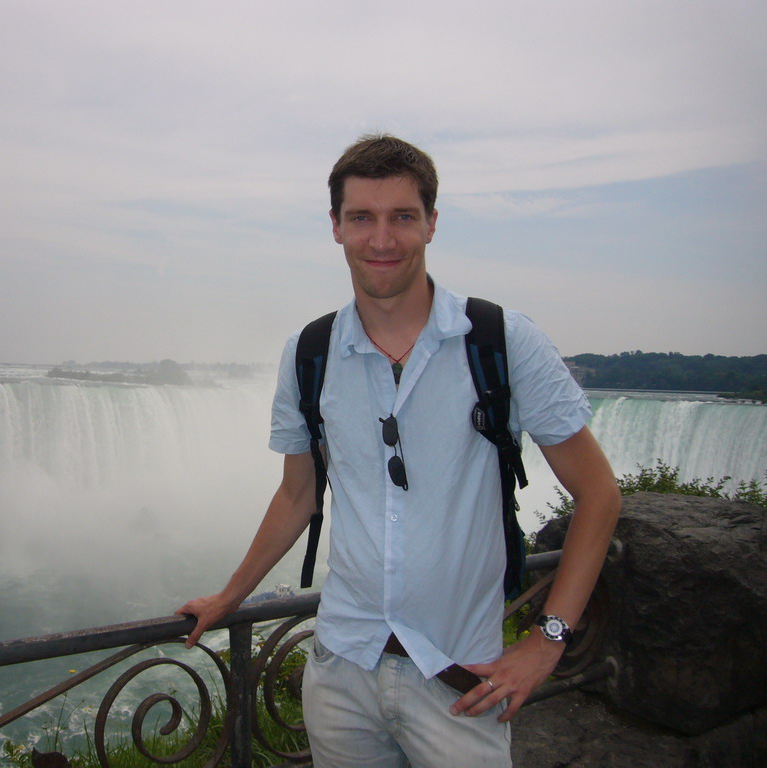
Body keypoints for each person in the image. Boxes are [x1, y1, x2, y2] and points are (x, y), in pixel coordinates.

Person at [176, 134, 620, 767]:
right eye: (362, 218)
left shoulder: (499, 342)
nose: (381, 240)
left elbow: (599, 495)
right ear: (335, 227)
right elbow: (298, 493)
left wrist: (548, 639)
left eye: (402, 217)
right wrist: (230, 598)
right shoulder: (310, 354)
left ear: (432, 224)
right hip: (341, 673)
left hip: (463, 677)